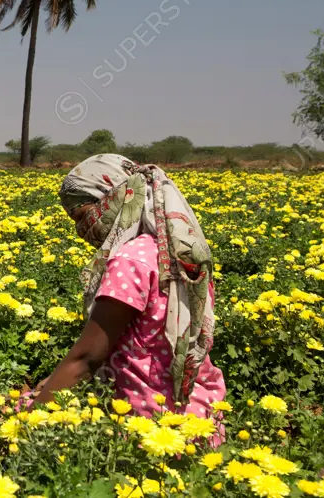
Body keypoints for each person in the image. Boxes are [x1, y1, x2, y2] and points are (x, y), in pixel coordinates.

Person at [18, 154, 226, 432]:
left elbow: (86, 359)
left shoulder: (129, 260)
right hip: (198, 415)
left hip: (142, 425)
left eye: (83, 217)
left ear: (117, 198)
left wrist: (28, 424)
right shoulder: (181, 250)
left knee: (17, 410)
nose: (81, 231)